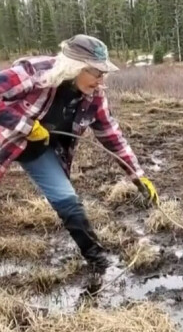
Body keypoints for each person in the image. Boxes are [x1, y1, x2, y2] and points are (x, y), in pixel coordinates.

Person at [0, 34, 158, 275]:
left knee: (68, 201)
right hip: (7, 139)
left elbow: (111, 136)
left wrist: (138, 177)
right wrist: (26, 127)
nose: (100, 80)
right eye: (96, 72)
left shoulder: (94, 96)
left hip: (39, 152)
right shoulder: (34, 72)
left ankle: (98, 261)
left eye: (103, 73)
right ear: (75, 67)